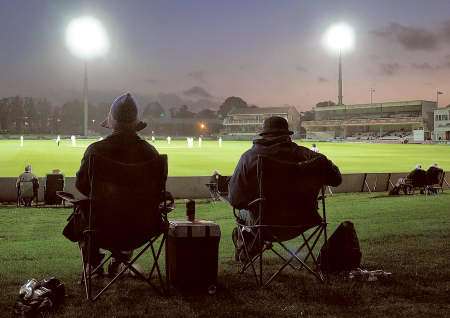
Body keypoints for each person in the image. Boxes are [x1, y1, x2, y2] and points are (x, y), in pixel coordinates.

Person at [70, 92, 159, 276]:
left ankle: (93, 263)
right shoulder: (151, 153)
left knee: (81, 210)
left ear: (112, 122)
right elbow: (157, 191)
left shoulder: (95, 151)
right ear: (136, 123)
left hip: (101, 227)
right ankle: (122, 260)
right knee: (129, 215)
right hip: (143, 228)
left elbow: (82, 187)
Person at [228, 116, 342, 259]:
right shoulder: (309, 156)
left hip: (265, 224)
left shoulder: (249, 158)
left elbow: (235, 200)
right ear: (287, 136)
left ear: (264, 135)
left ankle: (248, 247)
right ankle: (249, 247)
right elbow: (336, 179)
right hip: (304, 220)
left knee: (243, 212)